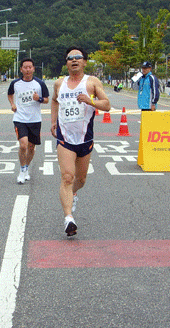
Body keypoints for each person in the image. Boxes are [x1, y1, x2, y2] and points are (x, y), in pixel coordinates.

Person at [50, 47, 111, 236]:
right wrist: (53, 121)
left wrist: (90, 101)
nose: (74, 60)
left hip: (85, 137)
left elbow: (107, 105)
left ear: (84, 62)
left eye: (78, 57)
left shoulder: (92, 82)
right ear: (66, 62)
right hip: (65, 137)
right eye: (70, 58)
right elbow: (54, 101)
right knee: (67, 176)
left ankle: (72, 194)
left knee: (81, 179)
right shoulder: (59, 83)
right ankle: (69, 219)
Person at [7, 58, 49, 184]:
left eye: (30, 67)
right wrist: (12, 104)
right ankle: (21, 169)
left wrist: (39, 98)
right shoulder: (15, 83)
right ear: (21, 69)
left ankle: (26, 168)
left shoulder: (39, 83)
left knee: (31, 147)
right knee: (23, 145)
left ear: (33, 69)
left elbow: (47, 99)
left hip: (35, 119)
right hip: (20, 118)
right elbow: (10, 94)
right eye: (25, 67)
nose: (28, 69)